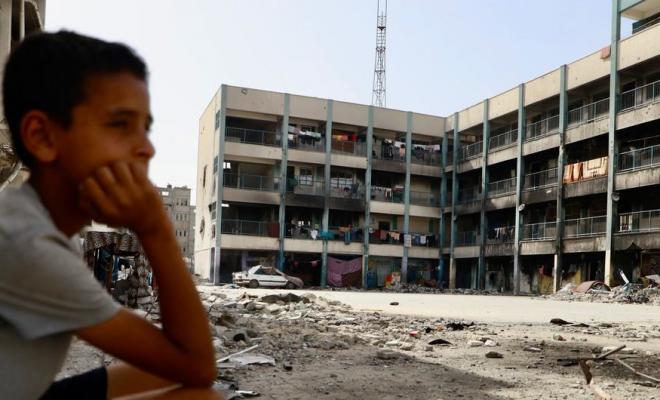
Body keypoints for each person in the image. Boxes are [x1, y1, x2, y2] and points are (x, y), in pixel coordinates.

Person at [0, 31, 220, 399]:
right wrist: (156, 230)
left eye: (145, 128)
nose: (147, 149)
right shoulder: (30, 246)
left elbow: (185, 360)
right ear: (42, 137)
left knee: (159, 376)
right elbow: (197, 364)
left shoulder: (40, 227)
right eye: (121, 125)